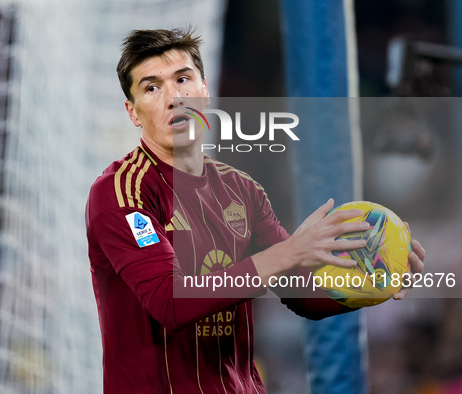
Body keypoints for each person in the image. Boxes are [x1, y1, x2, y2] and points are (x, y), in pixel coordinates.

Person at [85, 27, 425, 393]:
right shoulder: (121, 194)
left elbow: (301, 293)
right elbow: (169, 301)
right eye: (151, 87)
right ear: (133, 113)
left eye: (183, 79)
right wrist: (287, 251)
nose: (173, 98)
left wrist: (372, 276)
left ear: (204, 91)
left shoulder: (241, 189)